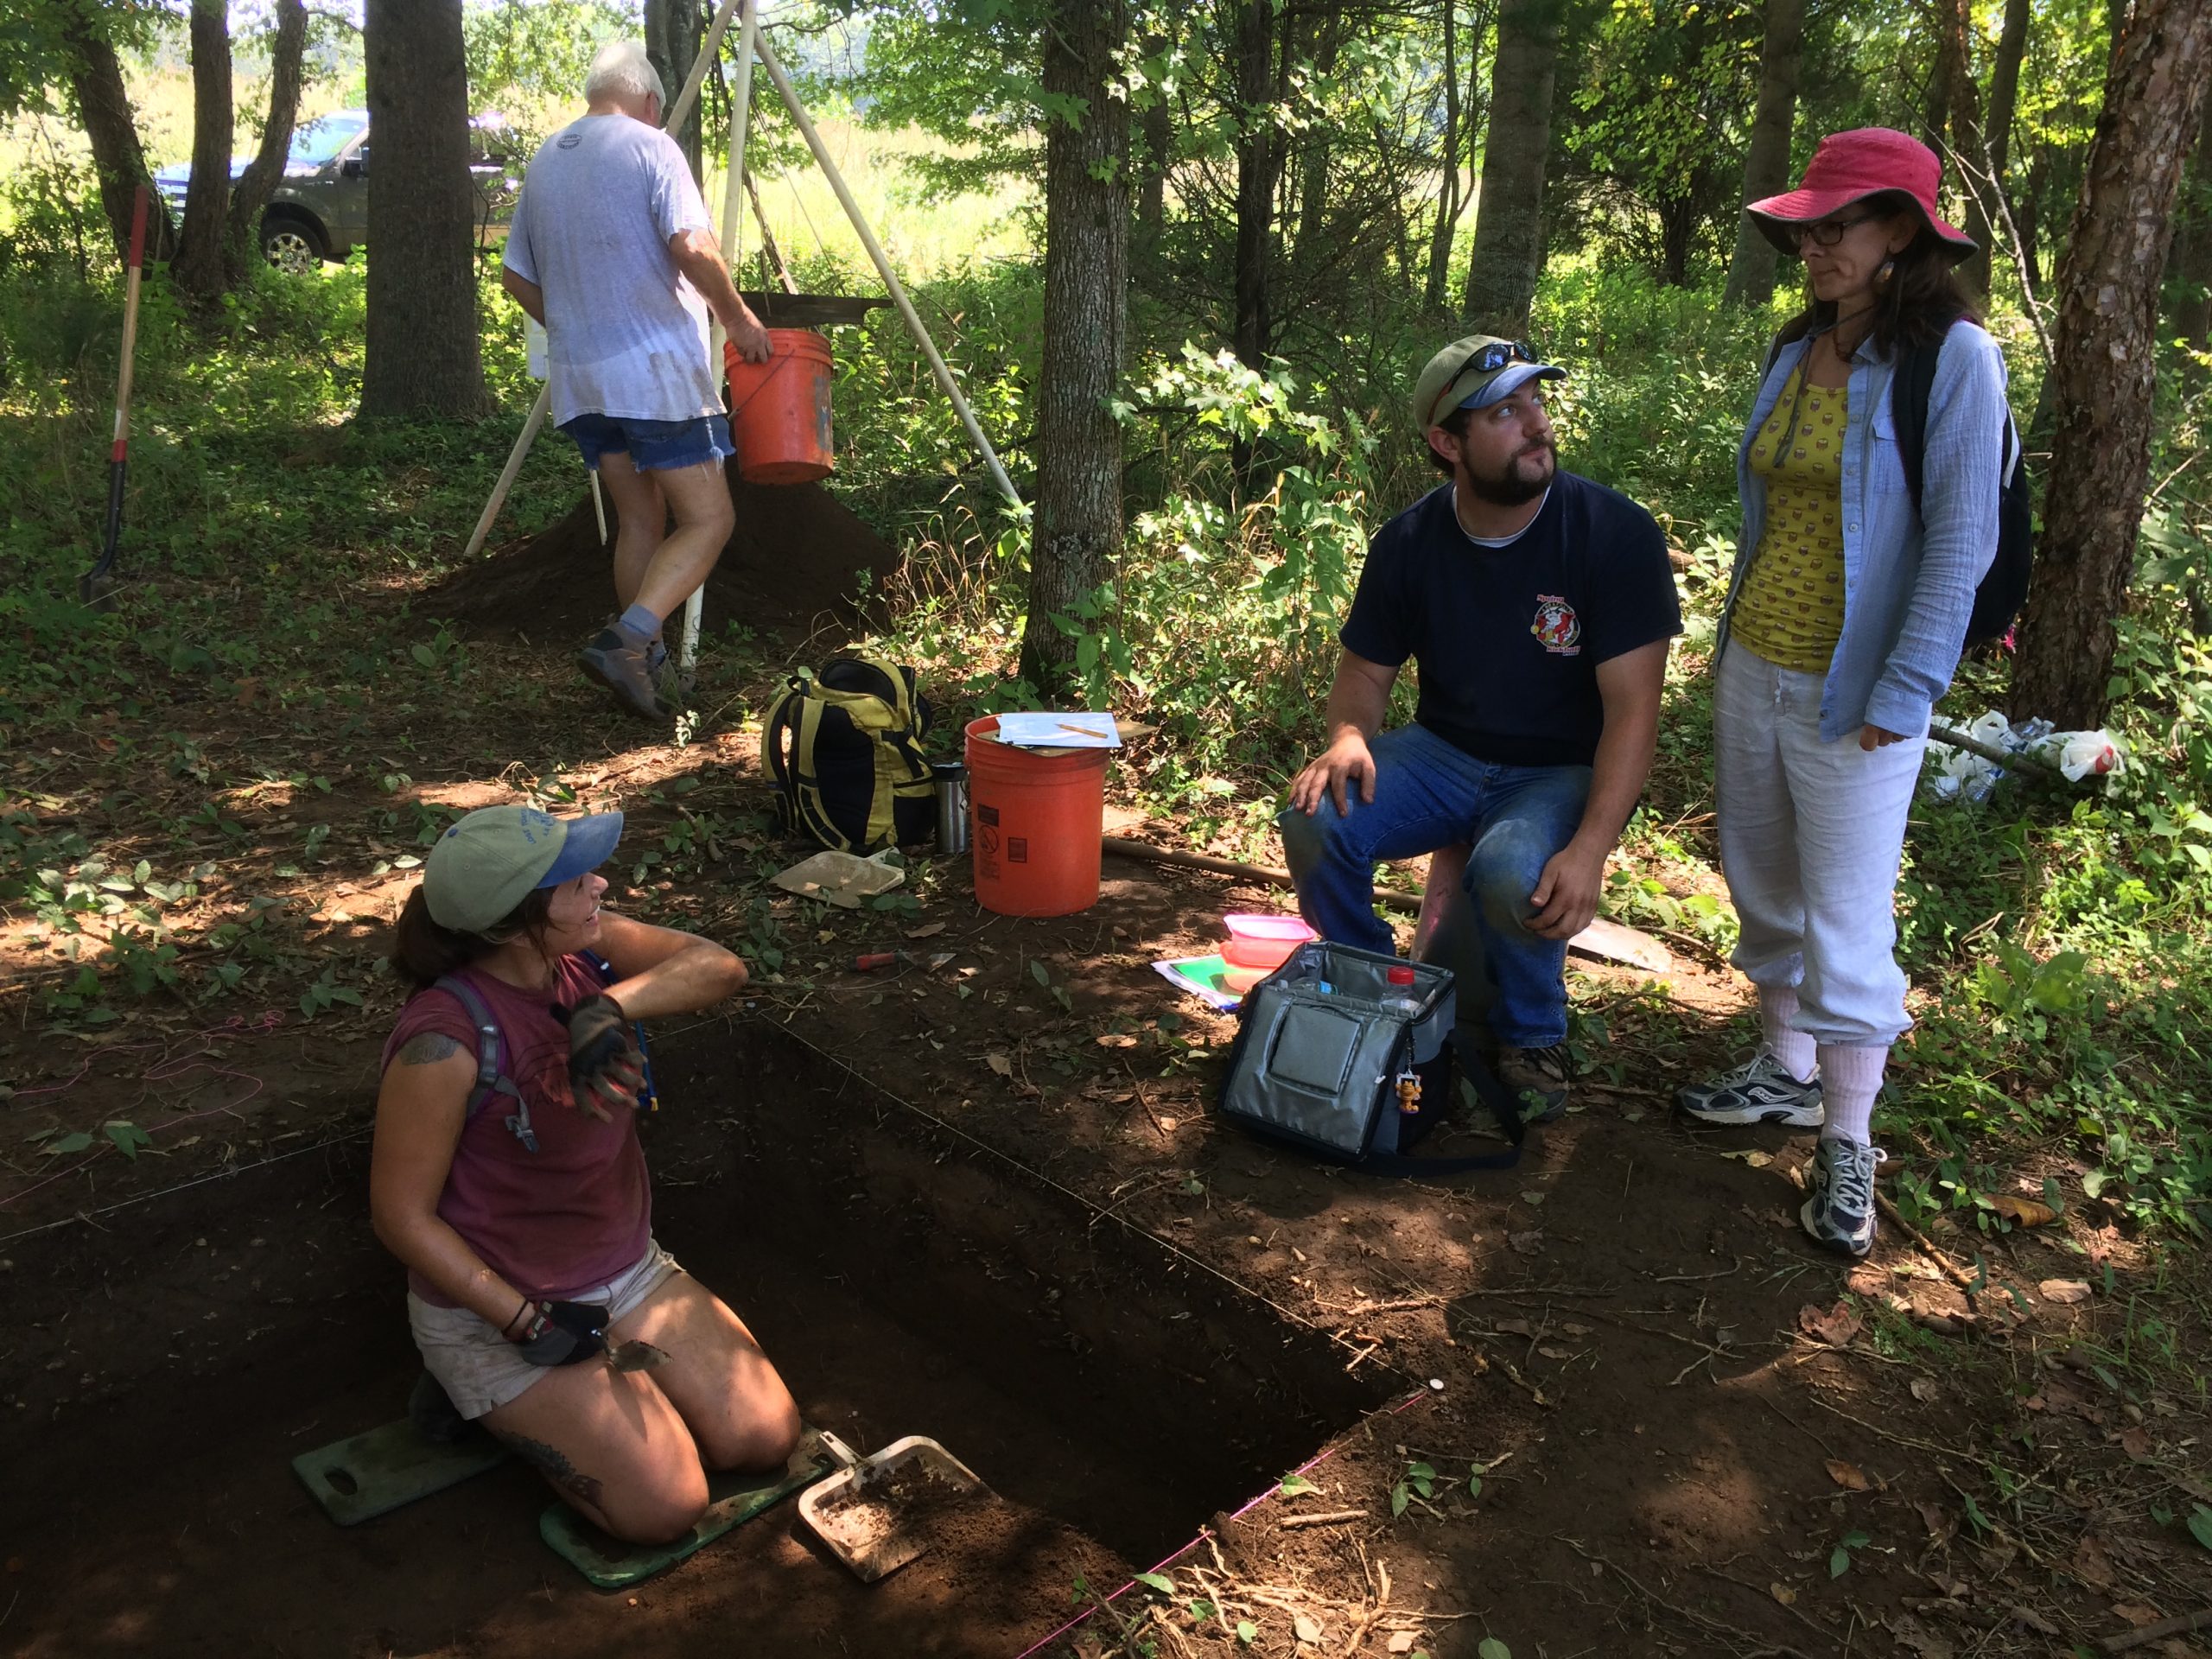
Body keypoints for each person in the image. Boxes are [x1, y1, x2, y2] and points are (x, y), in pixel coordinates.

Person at [1676, 129, 2012, 1260]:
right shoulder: (1798, 345)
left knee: (1849, 923)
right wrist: (1732, 659)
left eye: (1839, 225)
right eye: (1806, 226)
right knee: (1762, 883)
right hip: (1755, 667)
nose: (1813, 244)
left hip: (1859, 692)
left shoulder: (1955, 359)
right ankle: (1785, 1071)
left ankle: (1849, 1140)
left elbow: (1961, 539)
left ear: (1904, 235)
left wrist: (1907, 688)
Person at [371, 804, 800, 1543]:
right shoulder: (444, 1043)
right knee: (666, 1507)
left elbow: (720, 967)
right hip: (503, 1310)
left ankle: (579, 1407)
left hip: (626, 1273)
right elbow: (401, 1217)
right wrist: (522, 1320)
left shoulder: (584, 954)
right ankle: (467, 1391)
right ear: (515, 921)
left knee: (764, 1436)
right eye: (574, 881)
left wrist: (605, 1006)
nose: (600, 883)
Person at [1278, 337, 1681, 1119]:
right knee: (1316, 818)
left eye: (1536, 403)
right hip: (1443, 753)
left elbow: (1634, 711)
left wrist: (1591, 848)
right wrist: (1351, 738)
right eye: (1505, 412)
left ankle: (1532, 1033)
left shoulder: (1612, 534)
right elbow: (1364, 674)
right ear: (1447, 443)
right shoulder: (1409, 542)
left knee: (1510, 873)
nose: (1536, 425)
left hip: (1558, 769)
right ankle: (1374, 992)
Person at [499, 41, 773, 721]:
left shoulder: (546, 160)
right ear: (650, 101)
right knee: (710, 517)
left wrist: (576, 325)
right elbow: (691, 245)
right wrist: (737, 319)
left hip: (582, 383)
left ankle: (639, 671)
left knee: (640, 519)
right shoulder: (652, 148)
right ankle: (628, 639)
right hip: (654, 377)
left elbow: (515, 278)